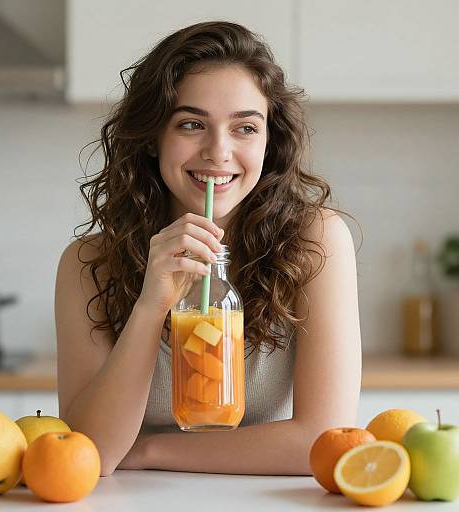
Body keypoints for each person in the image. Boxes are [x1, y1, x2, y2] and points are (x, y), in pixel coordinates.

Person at [55, 21, 362, 477]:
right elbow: (87, 453)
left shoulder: (315, 241)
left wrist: (147, 451)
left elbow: (324, 439)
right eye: (192, 124)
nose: (219, 152)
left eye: (244, 128)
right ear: (152, 137)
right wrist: (150, 305)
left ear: (269, 141)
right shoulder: (88, 264)